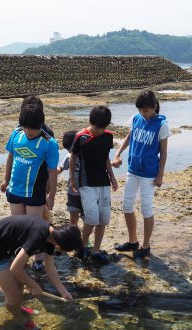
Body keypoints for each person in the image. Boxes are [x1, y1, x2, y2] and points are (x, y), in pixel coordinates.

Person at [0, 215, 83, 330]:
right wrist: (34, 285)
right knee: (13, 294)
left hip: (6, 247)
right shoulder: (37, 237)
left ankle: (18, 309)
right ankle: (18, 317)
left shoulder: (52, 236)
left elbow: (50, 268)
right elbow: (15, 268)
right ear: (59, 247)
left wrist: (63, 292)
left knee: (20, 285)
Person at [0, 103, 60, 271]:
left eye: (33, 129)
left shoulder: (49, 143)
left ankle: (39, 258)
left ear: (41, 125)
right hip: (15, 189)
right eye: (26, 127)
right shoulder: (16, 135)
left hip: (35, 192)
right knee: (18, 227)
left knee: (35, 228)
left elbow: (52, 171)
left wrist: (52, 196)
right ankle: (20, 256)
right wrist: (6, 180)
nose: (29, 132)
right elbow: (10, 157)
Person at [112, 90, 171, 259]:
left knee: (146, 209)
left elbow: (164, 152)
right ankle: (132, 241)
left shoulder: (162, 125)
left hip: (149, 174)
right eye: (140, 110)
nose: (143, 113)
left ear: (154, 107)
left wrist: (160, 175)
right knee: (127, 206)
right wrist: (118, 154)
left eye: (146, 110)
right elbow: (129, 137)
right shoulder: (136, 119)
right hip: (133, 169)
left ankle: (145, 246)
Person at [70, 106, 118, 264]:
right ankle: (82, 247)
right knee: (91, 217)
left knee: (103, 219)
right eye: (97, 127)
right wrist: (72, 178)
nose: (99, 131)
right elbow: (73, 157)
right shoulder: (80, 136)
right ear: (90, 122)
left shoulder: (108, 136)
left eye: (102, 128)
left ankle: (96, 250)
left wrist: (112, 177)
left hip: (103, 182)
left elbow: (106, 159)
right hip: (86, 183)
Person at [57, 130, 82, 226]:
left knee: (87, 218)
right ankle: (74, 235)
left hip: (86, 191)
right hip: (73, 192)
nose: (70, 152)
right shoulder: (68, 157)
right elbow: (60, 169)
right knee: (73, 218)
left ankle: (85, 238)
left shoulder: (86, 156)